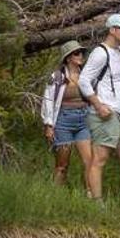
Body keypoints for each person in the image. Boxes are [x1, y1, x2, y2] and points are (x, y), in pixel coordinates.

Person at [78, 13, 120, 203]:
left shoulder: (118, 52)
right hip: (106, 114)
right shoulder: (100, 53)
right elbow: (83, 80)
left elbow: (117, 79)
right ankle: (97, 203)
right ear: (113, 30)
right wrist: (98, 104)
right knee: (100, 159)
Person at [40, 42, 94, 186]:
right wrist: (49, 125)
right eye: (77, 53)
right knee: (62, 165)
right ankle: (56, 196)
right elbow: (48, 100)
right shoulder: (57, 77)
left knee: (89, 161)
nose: (81, 56)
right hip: (63, 121)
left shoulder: (86, 75)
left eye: (81, 53)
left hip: (84, 121)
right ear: (68, 58)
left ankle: (91, 195)